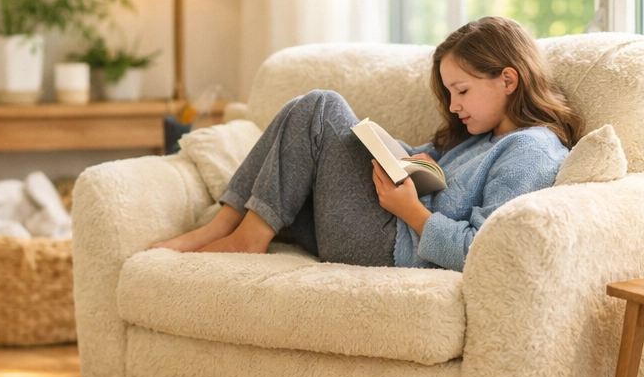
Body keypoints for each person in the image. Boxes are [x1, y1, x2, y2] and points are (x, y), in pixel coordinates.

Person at [151, 16, 582, 272]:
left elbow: (484, 251)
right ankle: (223, 229)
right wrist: (400, 155)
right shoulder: (483, 136)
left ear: (509, 79)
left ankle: (240, 237)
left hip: (390, 247)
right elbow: (433, 168)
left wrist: (411, 211)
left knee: (321, 107)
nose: (454, 106)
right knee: (301, 119)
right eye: (450, 93)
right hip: (375, 227)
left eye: (462, 91)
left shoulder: (530, 152)